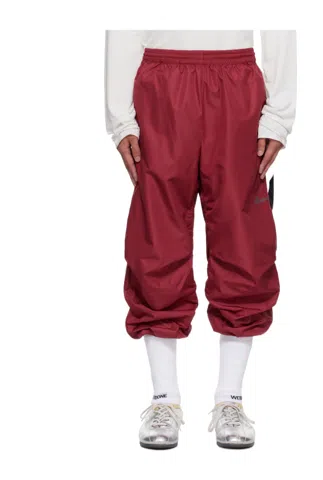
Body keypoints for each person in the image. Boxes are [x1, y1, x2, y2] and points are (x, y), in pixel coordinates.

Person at [105, 30, 296, 450]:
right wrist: (121, 118)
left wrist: (278, 115)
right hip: (160, 82)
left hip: (237, 81)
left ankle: (231, 398)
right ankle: (164, 399)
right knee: (156, 242)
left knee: (244, 244)